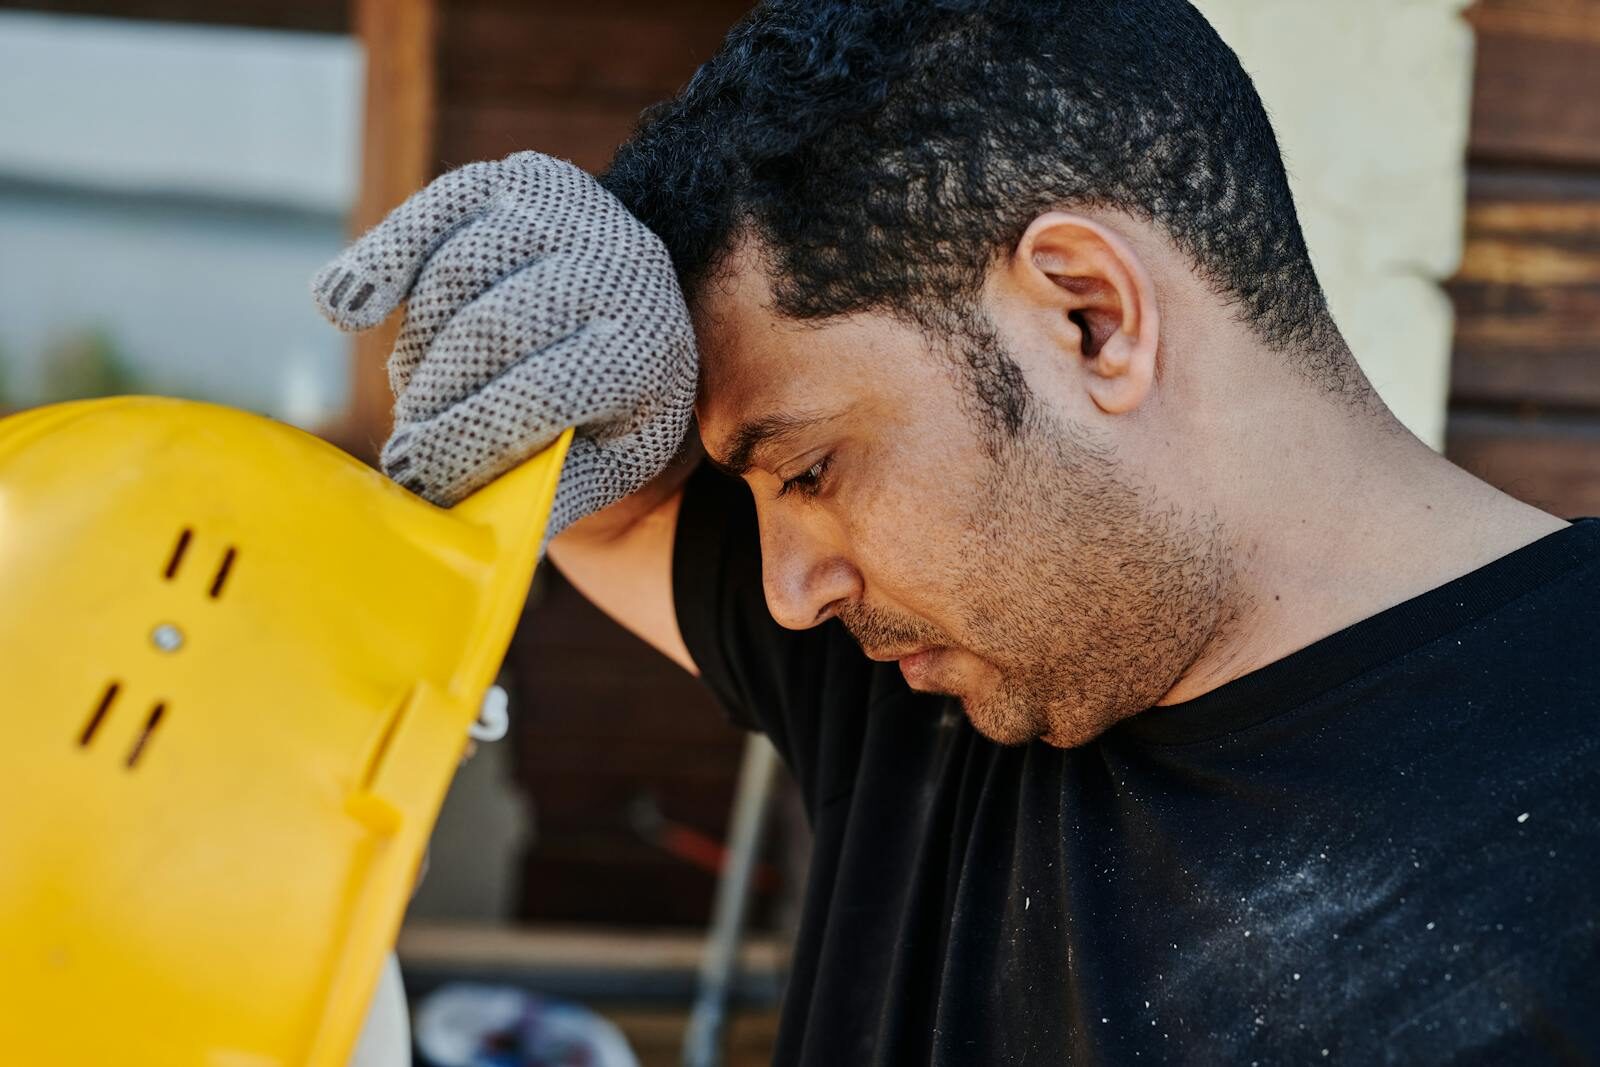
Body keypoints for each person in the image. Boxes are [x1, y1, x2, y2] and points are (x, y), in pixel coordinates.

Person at [314, 1, 1600, 1062]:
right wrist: (606, 321)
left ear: (1087, 315)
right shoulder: (938, 681)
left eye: (810, 466)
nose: (788, 590)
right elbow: (594, 515)